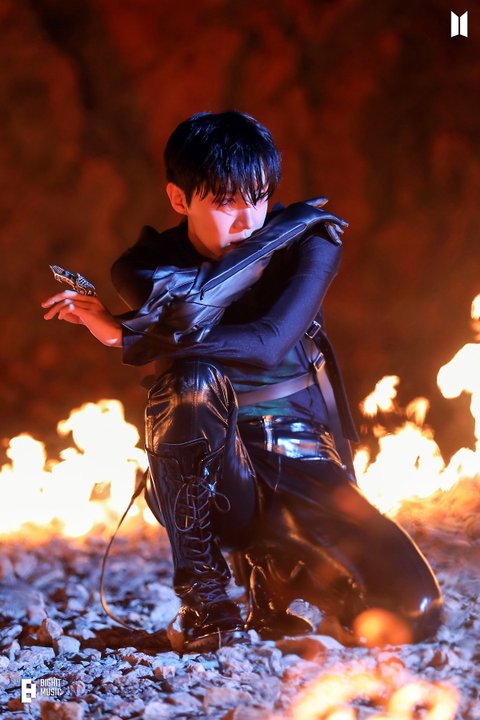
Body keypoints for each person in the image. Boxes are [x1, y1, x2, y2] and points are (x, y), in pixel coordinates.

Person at [42, 111, 443, 653]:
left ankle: (274, 569)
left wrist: (127, 336)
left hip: (301, 453)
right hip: (210, 469)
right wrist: (146, 332)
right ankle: (206, 599)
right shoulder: (144, 267)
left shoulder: (309, 241)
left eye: (258, 198)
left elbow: (270, 341)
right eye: (225, 201)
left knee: (413, 610)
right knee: (191, 381)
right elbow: (191, 315)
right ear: (179, 199)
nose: (247, 219)